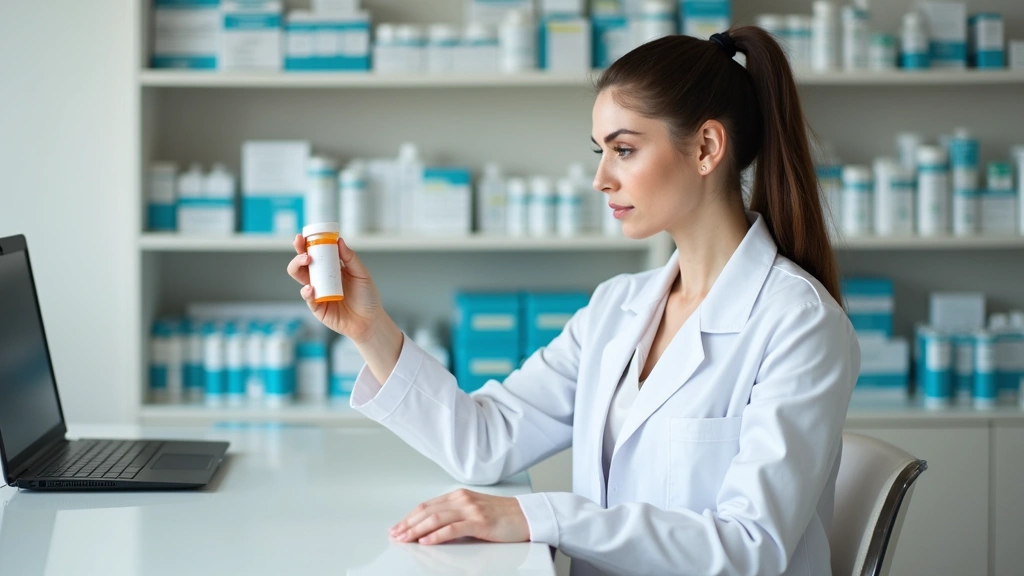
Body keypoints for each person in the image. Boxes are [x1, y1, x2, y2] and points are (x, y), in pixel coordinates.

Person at [286, 27, 859, 576]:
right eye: (600, 152)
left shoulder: (799, 323)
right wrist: (369, 328)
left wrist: (541, 516)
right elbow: (485, 440)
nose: (601, 179)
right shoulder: (618, 308)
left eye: (625, 150)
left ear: (707, 147)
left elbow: (749, 544)